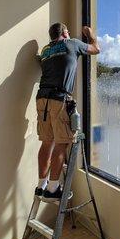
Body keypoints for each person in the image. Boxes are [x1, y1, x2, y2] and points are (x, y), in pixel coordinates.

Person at [35, 22, 100, 200]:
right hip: (59, 99)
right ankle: (53, 189)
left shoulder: (45, 51)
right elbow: (96, 49)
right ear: (64, 33)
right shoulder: (72, 43)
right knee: (61, 143)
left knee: (46, 142)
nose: (70, 34)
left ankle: (41, 186)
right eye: (68, 32)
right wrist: (90, 34)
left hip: (42, 98)